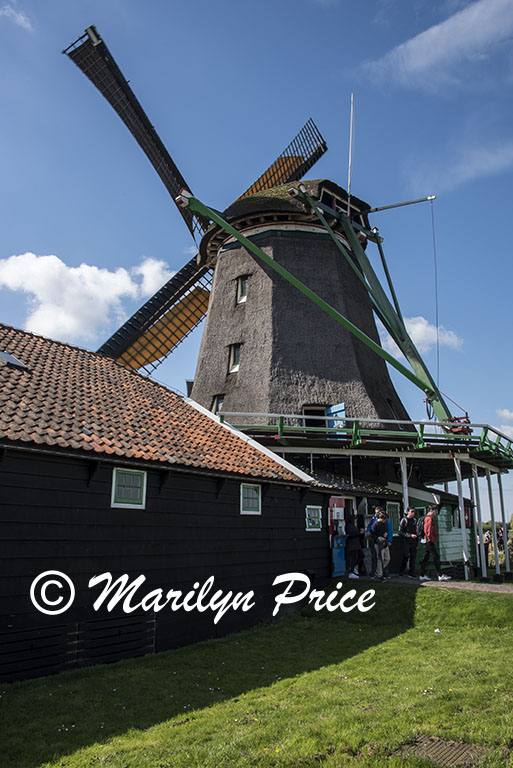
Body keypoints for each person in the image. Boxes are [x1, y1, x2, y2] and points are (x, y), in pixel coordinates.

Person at [419, 505, 452, 582]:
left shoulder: (427, 518)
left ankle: (422, 574)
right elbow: (428, 531)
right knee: (435, 557)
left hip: (426, 540)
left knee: (425, 557)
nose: (436, 513)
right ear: (433, 510)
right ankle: (440, 575)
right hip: (429, 541)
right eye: (436, 511)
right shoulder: (429, 518)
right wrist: (432, 539)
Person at [365, 506, 393, 577]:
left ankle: (382, 572)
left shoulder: (386, 521)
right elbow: (371, 528)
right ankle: (378, 573)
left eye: (377, 512)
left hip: (384, 542)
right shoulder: (374, 520)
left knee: (385, 558)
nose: (376, 514)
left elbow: (389, 530)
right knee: (378, 557)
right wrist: (368, 531)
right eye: (375, 512)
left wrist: (389, 539)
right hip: (377, 542)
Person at [371, 511, 390, 581]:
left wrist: (385, 535)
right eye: (384, 519)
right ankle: (379, 574)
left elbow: (386, 531)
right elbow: (372, 535)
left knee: (387, 558)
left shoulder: (384, 524)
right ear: (381, 518)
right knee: (380, 559)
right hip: (378, 544)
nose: (385, 521)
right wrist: (378, 538)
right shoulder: (375, 525)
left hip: (384, 543)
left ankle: (379, 570)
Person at [399, 506, 418, 578]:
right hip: (406, 541)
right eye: (412, 511)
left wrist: (417, 535)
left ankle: (411, 572)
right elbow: (400, 532)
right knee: (406, 556)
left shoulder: (414, 520)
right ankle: (401, 571)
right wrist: (409, 535)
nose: (413, 513)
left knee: (413, 557)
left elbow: (416, 529)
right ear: (408, 512)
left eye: (414, 512)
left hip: (413, 541)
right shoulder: (404, 520)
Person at [345, 513, 364, 579]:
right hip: (352, 544)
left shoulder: (353, 525)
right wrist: (359, 533)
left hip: (356, 544)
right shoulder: (349, 526)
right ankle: (351, 572)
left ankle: (352, 569)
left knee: (361, 556)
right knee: (354, 558)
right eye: (355, 519)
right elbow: (351, 534)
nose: (356, 520)